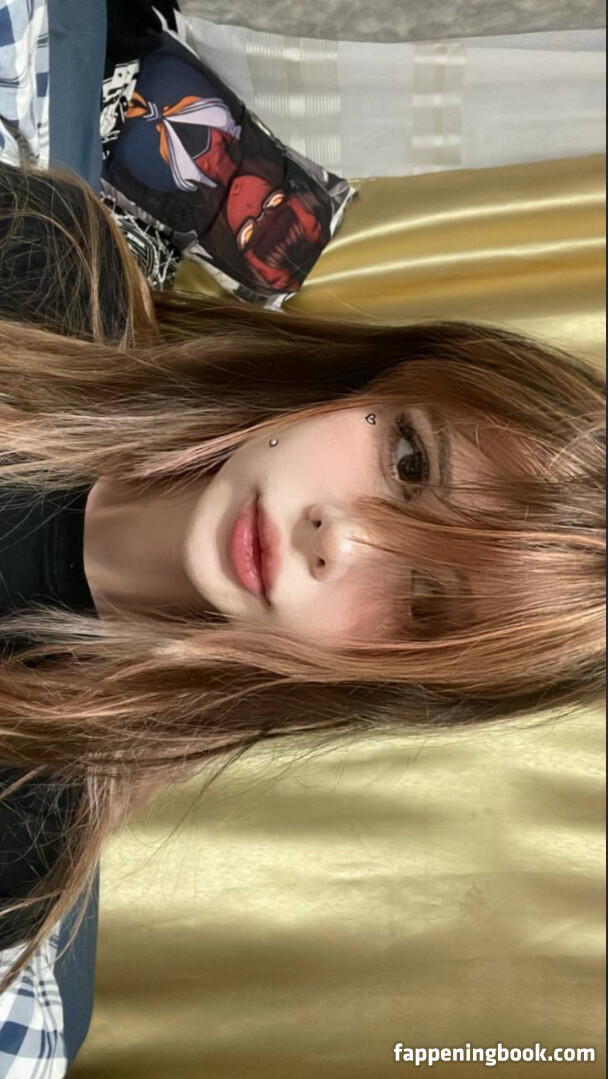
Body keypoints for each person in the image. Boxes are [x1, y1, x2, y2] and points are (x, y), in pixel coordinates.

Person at [0, 158, 605, 996]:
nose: (341, 540)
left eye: (423, 602)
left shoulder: (24, 832)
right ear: (387, 379)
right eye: (410, 461)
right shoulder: (45, 259)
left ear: (390, 682)